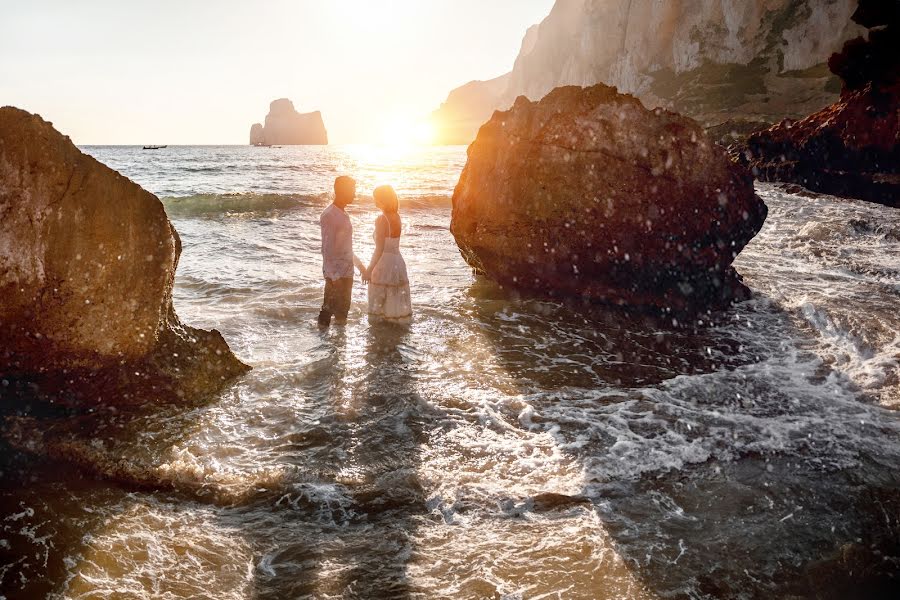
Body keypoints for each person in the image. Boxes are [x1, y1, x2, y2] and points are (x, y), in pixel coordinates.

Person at [318, 175, 367, 328]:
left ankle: (338, 348)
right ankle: (323, 348)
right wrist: (334, 277)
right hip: (336, 276)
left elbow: (346, 248)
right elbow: (327, 250)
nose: (354, 194)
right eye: (352, 190)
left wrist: (361, 267)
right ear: (342, 191)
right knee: (326, 313)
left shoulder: (344, 214)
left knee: (342, 315)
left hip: (347, 273)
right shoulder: (329, 215)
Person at [363, 185, 412, 323]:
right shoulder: (397, 217)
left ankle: (378, 334)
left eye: (376, 197)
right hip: (397, 262)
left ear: (382, 199)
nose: (374, 200)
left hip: (383, 263)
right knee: (393, 299)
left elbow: (379, 249)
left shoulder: (381, 219)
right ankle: (393, 334)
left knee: (379, 301)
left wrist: (368, 270)